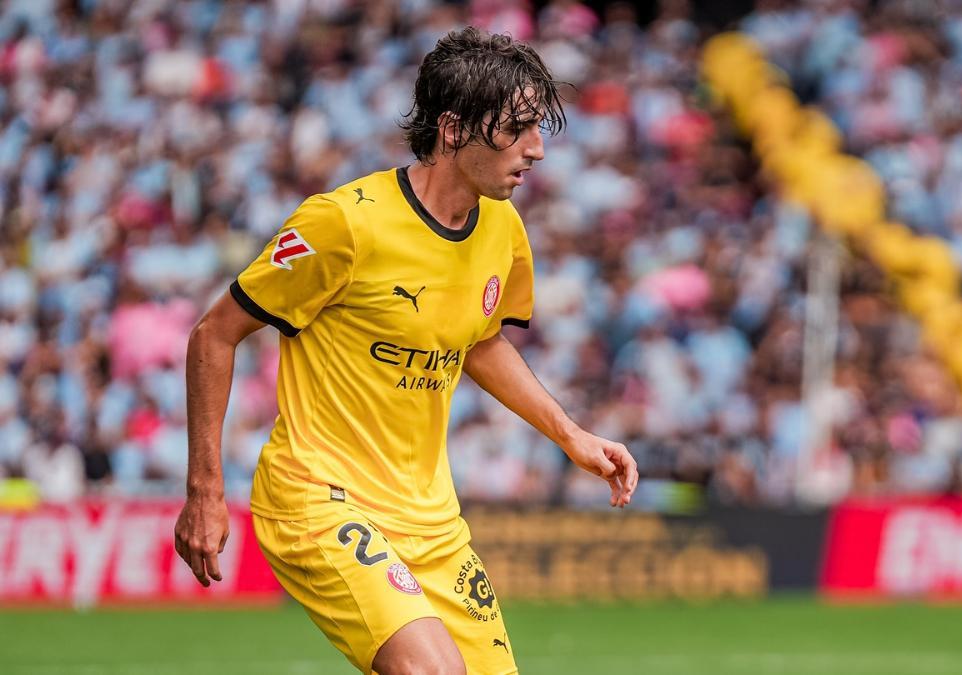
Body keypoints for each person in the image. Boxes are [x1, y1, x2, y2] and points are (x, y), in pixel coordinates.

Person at [173, 27, 638, 675]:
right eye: (520, 128)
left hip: (430, 520)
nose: (537, 149)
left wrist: (571, 434)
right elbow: (213, 335)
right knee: (429, 671)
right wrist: (205, 489)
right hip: (318, 494)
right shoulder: (343, 224)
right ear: (453, 128)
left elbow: (479, 340)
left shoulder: (502, 227)